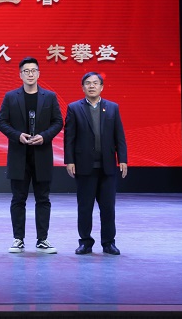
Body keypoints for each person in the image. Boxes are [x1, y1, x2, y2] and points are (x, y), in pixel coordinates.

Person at [0, 57, 64, 254]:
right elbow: (2, 122)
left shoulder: (49, 97)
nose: (30, 74)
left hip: (42, 155)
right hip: (19, 155)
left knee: (43, 199)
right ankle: (18, 239)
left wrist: (45, 136)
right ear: (20, 75)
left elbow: (58, 122)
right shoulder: (11, 97)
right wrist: (17, 135)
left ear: (39, 73)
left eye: (33, 70)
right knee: (18, 199)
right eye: (26, 71)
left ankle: (42, 239)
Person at [64, 71, 128, 256]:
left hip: (107, 167)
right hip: (84, 166)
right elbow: (69, 138)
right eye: (88, 83)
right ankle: (85, 242)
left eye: (95, 83)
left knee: (108, 208)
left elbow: (119, 136)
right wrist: (69, 160)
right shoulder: (74, 108)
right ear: (82, 87)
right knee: (85, 207)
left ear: (102, 87)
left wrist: (122, 159)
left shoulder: (112, 108)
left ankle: (109, 243)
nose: (91, 86)